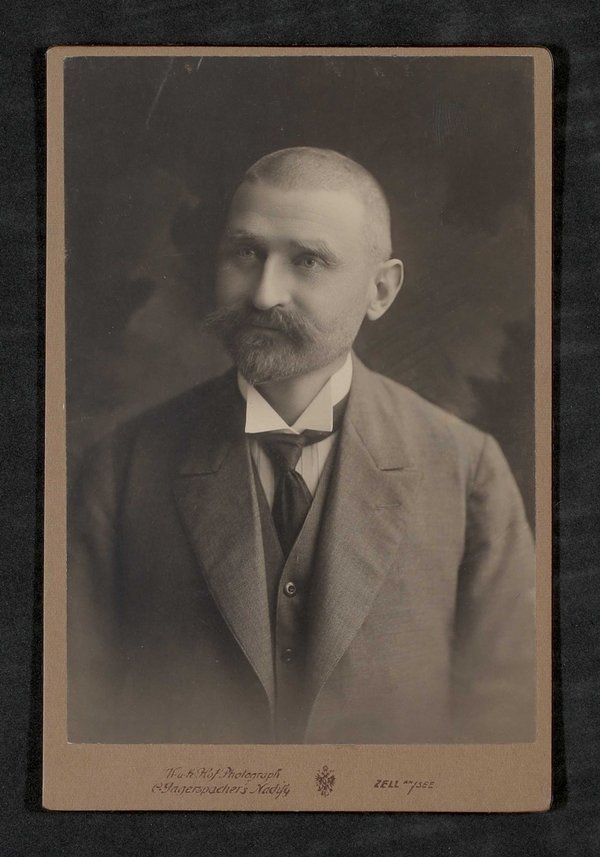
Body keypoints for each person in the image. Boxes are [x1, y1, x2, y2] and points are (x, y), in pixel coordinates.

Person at [68, 147, 535, 745]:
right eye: (246, 253)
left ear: (381, 290)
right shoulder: (121, 467)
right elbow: (80, 719)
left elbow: (504, 730)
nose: (264, 294)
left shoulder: (468, 471)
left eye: (308, 260)